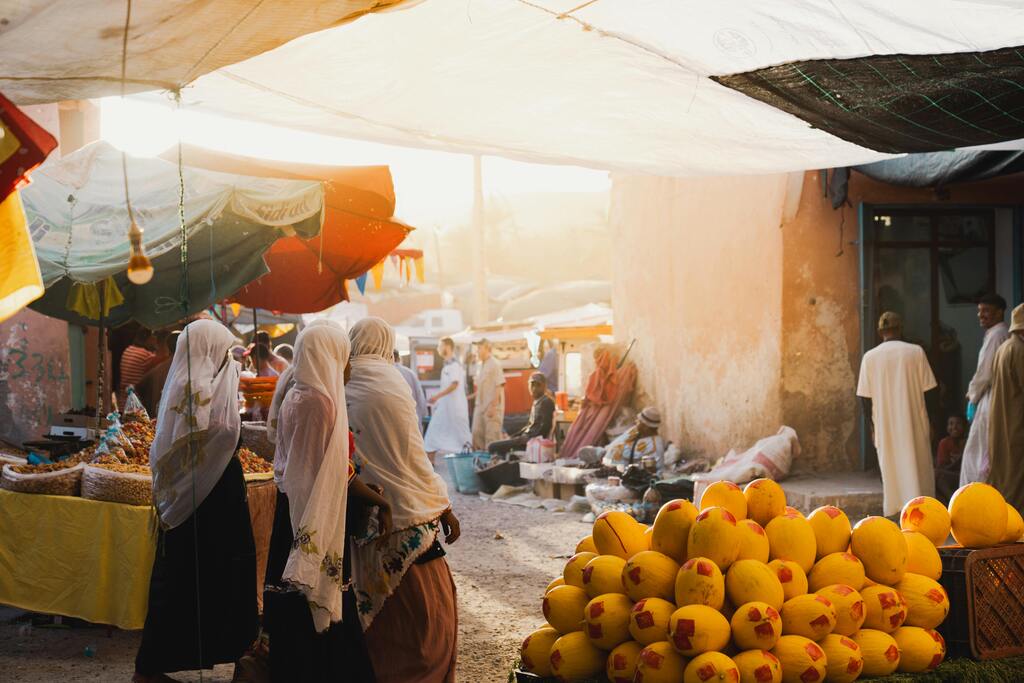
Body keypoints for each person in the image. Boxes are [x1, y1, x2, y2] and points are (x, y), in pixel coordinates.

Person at [263, 322, 391, 682]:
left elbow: (327, 469)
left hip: (293, 514)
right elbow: (333, 476)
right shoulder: (319, 404)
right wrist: (380, 503)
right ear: (328, 358)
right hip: (310, 520)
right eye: (344, 359)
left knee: (297, 615)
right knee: (314, 611)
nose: (348, 368)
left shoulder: (297, 395)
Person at [134, 319, 257, 683]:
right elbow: (191, 440)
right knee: (182, 582)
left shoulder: (214, 382)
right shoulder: (193, 386)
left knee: (227, 578)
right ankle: (150, 668)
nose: (229, 357)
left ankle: (237, 659)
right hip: (198, 499)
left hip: (219, 496)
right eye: (224, 349)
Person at [345, 317, 461, 683]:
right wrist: (443, 505)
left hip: (367, 511)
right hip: (413, 514)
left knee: (375, 608)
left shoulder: (340, 381)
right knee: (426, 615)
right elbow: (413, 453)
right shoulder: (393, 379)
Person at [857, 311, 938, 517]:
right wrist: (933, 422)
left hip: (885, 423)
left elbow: (865, 399)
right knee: (918, 464)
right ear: (901, 328)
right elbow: (930, 392)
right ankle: (922, 511)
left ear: (879, 332)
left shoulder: (870, 357)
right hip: (914, 422)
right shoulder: (915, 352)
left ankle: (895, 511)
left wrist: (872, 428)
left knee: (891, 467)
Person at [960, 294, 1010, 486]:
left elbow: (985, 372)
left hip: (990, 398)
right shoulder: (998, 333)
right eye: (979, 311)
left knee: (978, 453)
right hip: (989, 397)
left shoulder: (997, 334)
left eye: (986, 311)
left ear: (999, 312)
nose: (981, 315)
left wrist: (972, 396)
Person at [988, 303, 1024, 513]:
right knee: (1015, 477)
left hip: (1002, 423)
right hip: (1015, 424)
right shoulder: (1019, 349)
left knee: (1004, 474)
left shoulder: (1005, 347)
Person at [423, 337, 472, 458]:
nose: (438, 349)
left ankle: (469, 459)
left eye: (440, 346)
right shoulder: (446, 366)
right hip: (445, 409)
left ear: (448, 347)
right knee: (432, 434)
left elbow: (454, 384)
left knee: (462, 437)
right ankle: (431, 463)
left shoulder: (454, 365)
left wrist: (436, 397)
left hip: (456, 409)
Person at [488, 373, 555, 457]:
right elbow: (529, 425)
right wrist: (514, 436)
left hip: (531, 441)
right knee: (500, 445)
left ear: (544, 387)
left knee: (492, 447)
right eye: (532, 385)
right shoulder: (538, 401)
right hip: (526, 438)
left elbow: (544, 428)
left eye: (538, 385)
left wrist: (526, 439)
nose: (534, 388)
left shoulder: (546, 402)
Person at [601, 407, 666, 471]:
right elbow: (617, 443)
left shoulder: (655, 447)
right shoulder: (637, 431)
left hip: (623, 476)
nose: (636, 422)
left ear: (646, 427)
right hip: (607, 468)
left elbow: (653, 470)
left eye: (639, 421)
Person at [468, 339, 505, 450]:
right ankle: (482, 462)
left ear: (486, 348)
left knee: (492, 438)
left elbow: (499, 385)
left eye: (479, 348)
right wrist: (469, 397)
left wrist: (493, 406)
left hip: (491, 407)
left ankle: (493, 464)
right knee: (476, 433)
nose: (477, 351)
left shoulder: (495, 364)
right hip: (480, 407)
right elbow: (482, 388)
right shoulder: (480, 365)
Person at [134, 331, 180, 416]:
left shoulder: (160, 367)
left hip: (154, 417)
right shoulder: (184, 368)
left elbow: (139, 387)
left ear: (167, 348)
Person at [936, 415, 967, 504]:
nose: (954, 427)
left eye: (958, 424)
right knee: (937, 475)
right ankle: (953, 499)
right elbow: (942, 467)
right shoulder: (944, 443)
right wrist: (958, 460)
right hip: (951, 475)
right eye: (951, 424)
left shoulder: (968, 443)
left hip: (964, 475)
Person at [119, 328, 156, 401]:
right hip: (137, 402)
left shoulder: (128, 350)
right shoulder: (146, 355)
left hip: (123, 400)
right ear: (148, 339)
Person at [394, 350, 428, 428]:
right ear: (399, 358)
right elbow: (419, 394)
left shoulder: (386, 373)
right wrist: (424, 412)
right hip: (412, 416)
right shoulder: (410, 373)